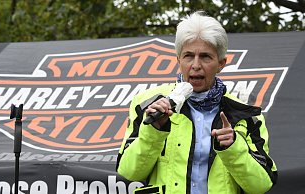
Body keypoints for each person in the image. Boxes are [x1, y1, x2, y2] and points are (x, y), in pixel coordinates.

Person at [116, 11, 277, 194]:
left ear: (221, 63)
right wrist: (155, 131)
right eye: (188, 56)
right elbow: (129, 171)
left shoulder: (247, 115)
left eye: (206, 57)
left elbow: (262, 185)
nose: (196, 65)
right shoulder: (147, 104)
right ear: (178, 60)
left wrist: (233, 147)